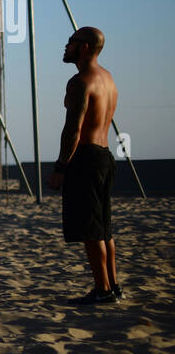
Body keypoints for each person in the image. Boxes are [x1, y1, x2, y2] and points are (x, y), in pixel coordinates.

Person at [47, 26, 121, 305]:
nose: (66, 46)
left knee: (91, 230)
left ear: (85, 47)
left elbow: (73, 130)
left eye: (71, 42)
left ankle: (102, 290)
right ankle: (113, 285)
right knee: (104, 227)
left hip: (86, 158)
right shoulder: (108, 79)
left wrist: (60, 167)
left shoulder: (80, 81)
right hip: (104, 156)